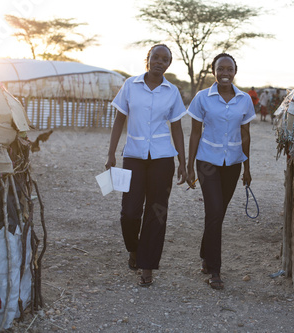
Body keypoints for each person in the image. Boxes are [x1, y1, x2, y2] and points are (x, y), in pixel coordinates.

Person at [105, 44, 187, 287]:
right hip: (133, 157)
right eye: (155, 57)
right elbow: (120, 119)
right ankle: (133, 249)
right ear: (147, 59)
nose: (159, 62)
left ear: (169, 64)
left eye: (165, 59)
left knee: (157, 212)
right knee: (129, 212)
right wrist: (111, 153)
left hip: (163, 159)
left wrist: (182, 161)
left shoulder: (172, 92)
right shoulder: (130, 85)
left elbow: (177, 128)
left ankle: (147, 265)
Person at [186, 53, 255, 290]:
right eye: (221, 69)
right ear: (213, 71)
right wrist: (188, 164)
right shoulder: (202, 98)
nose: (225, 73)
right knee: (214, 210)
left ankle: (206, 253)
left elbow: (245, 134)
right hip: (207, 162)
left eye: (230, 69)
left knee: (218, 213)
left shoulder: (245, 99)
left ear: (235, 71)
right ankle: (214, 270)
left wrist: (247, 167)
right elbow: (195, 133)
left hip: (233, 163)